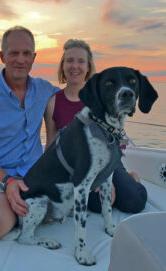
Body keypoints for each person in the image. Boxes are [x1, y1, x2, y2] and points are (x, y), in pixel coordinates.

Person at [0, 26, 59, 240]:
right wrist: (7, 183)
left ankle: (12, 202)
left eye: (26, 54)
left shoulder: (45, 90)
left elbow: (73, 98)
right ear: (2, 56)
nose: (20, 60)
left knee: (63, 210)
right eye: (14, 53)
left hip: (32, 174)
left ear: (34, 58)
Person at [44, 39, 147, 214]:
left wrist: (105, 178)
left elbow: (116, 140)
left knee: (134, 202)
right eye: (69, 60)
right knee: (98, 205)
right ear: (62, 66)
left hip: (107, 162)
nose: (74, 66)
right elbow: (51, 143)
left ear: (88, 67)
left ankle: (132, 179)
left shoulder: (101, 99)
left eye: (81, 61)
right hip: (76, 168)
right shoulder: (53, 102)